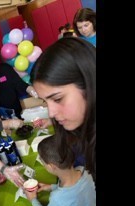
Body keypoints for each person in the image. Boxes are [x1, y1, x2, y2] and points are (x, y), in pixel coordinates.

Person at [31, 37, 96, 181]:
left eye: (58, 99)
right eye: (45, 101)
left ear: (88, 84)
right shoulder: (78, 131)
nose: (51, 113)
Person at [24, 135, 96, 206]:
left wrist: (33, 199)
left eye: (42, 161)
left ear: (51, 166)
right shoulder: (86, 172)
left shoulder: (58, 198)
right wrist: (51, 187)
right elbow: (76, 191)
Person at [0, 44, 38, 119]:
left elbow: (19, 84)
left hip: (16, 111)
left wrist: (31, 90)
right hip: (0, 115)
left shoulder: (5, 68)